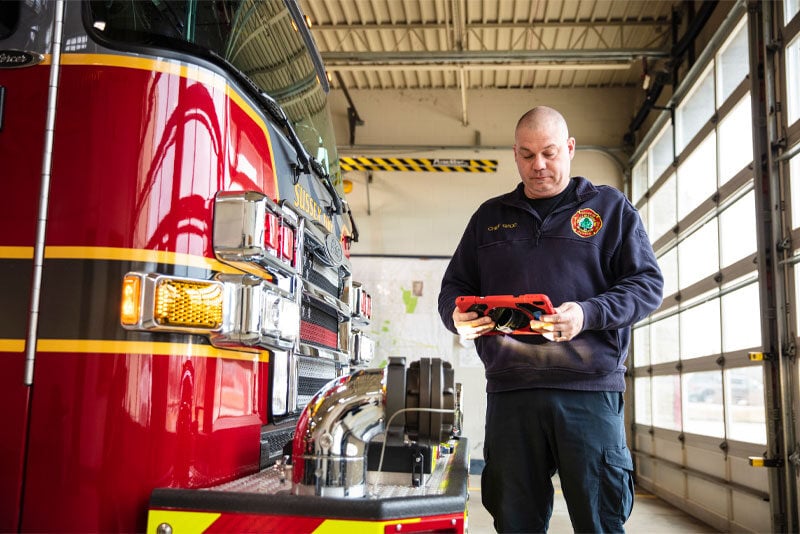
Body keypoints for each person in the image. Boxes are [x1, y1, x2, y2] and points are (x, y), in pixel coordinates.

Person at [437, 106, 663, 533]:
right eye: (526, 154)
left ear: (571, 149)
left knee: (600, 520)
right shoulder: (488, 219)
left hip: (588, 393)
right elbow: (452, 289)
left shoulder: (609, 209)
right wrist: (458, 316)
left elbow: (647, 284)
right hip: (512, 394)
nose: (537, 165)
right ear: (515, 153)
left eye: (549, 152)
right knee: (514, 519)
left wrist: (587, 313)